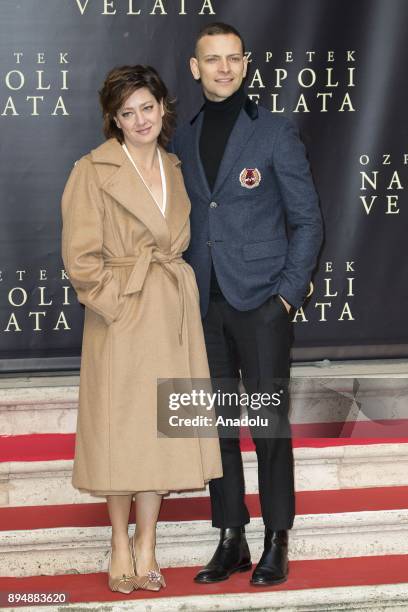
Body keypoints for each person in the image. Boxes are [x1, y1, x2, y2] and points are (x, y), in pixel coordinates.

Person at [170, 23, 323, 586]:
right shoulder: (179, 141)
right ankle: (230, 536)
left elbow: (307, 220)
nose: (224, 69)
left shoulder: (276, 131)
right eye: (213, 60)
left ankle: (276, 537)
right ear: (195, 67)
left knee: (267, 426)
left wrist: (286, 295)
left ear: (246, 63)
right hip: (201, 305)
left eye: (233, 59)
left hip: (261, 302)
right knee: (215, 427)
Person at [61, 65, 222, 594]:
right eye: (127, 113)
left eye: (147, 107)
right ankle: (119, 542)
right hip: (123, 317)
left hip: (172, 314)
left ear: (162, 107)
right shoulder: (92, 169)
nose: (140, 120)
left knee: (161, 432)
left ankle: (148, 541)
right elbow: (81, 260)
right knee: (120, 432)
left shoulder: (176, 166)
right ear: (114, 119)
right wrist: (116, 303)